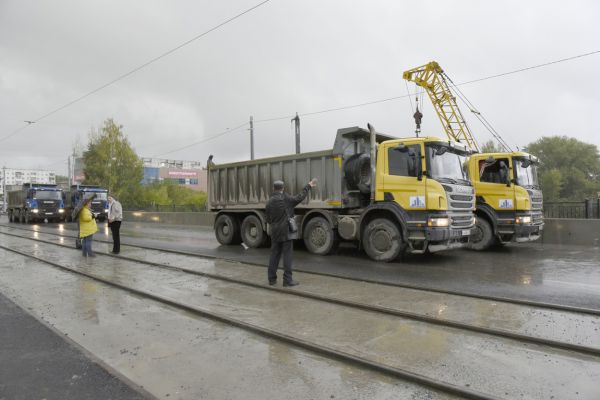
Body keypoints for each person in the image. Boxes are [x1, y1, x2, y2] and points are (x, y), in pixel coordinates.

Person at [265, 178, 317, 287]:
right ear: (283, 188)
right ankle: (287, 280)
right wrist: (308, 186)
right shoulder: (286, 199)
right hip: (286, 231)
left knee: (274, 255)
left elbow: (268, 219)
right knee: (287, 256)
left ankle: (271, 279)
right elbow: (300, 197)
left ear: (273, 188)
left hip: (274, 232)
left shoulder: (269, 201)